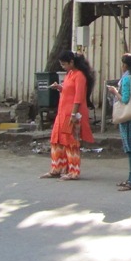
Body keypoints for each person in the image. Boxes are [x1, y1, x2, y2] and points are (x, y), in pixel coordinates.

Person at [40, 50, 95, 180]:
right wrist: (59, 87)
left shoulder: (79, 76)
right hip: (62, 113)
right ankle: (57, 168)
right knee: (56, 140)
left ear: (71, 62)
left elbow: (78, 97)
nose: (63, 67)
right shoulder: (70, 73)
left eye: (64, 64)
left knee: (71, 142)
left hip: (71, 114)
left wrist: (73, 114)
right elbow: (68, 90)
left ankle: (73, 171)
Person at [107, 53, 131, 191]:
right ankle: (130, 178)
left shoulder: (127, 79)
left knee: (130, 149)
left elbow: (124, 99)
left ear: (124, 65)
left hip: (128, 119)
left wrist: (114, 91)